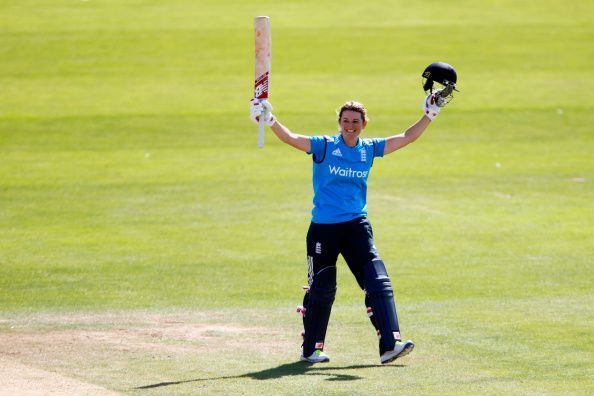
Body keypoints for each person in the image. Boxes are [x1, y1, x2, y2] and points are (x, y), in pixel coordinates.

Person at [249, 92, 446, 364]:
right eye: (345, 120)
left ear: (364, 124)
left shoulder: (369, 149)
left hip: (356, 226)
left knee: (378, 281)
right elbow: (292, 139)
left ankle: (390, 345)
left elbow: (407, 137)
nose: (350, 125)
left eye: (355, 121)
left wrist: (429, 114)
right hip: (324, 229)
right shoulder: (325, 146)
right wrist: (269, 119)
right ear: (339, 122)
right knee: (322, 289)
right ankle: (311, 349)